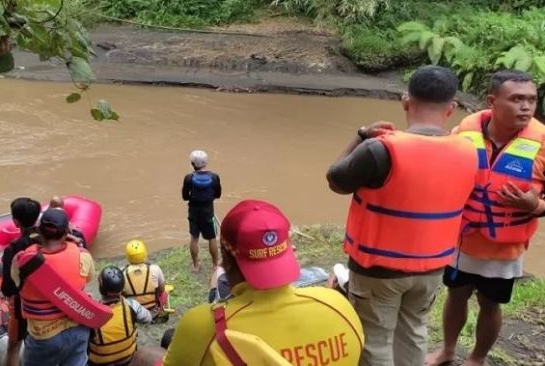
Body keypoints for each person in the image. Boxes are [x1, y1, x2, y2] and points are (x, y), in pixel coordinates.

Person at [326, 65, 478, 366]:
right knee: (413, 333)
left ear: (405, 101)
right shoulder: (469, 150)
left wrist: (360, 135)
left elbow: (335, 180)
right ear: (453, 108)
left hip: (378, 270)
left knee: (375, 339)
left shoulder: (378, 149)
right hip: (432, 267)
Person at [426, 70, 545, 366]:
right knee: (455, 296)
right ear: (492, 101)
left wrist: (536, 206)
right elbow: (437, 171)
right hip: (462, 240)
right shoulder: (464, 132)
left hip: (504, 249)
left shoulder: (543, 143)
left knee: (490, 304)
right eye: (516, 99)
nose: (526, 107)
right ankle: (448, 350)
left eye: (531, 99)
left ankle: (477, 358)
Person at [162, 199, 364, 365]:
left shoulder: (203, 324)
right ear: (289, 254)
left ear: (227, 262)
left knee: (145, 356)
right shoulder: (338, 305)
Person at [10, 208, 95, 366]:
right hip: (78, 328)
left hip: (43, 336)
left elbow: (16, 283)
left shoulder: (21, 260)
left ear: (39, 231)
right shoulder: (83, 256)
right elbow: (88, 279)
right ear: (67, 232)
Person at [0, 197, 41, 366]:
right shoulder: (46, 239)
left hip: (21, 304)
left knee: (13, 347)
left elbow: (8, 288)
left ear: (16, 222)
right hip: (46, 299)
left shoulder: (14, 249)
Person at [89, 265, 153, 366]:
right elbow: (148, 318)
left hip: (101, 363)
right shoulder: (131, 304)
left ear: (101, 286)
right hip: (128, 359)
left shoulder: (91, 312)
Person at [182, 150, 222, 272]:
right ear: (206, 162)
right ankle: (215, 265)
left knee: (194, 238)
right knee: (212, 237)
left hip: (194, 210)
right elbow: (218, 194)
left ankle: (195, 265)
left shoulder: (189, 178)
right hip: (208, 210)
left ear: (192, 163)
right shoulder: (214, 177)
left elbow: (185, 196)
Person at [122, 240, 167, 318]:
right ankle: (161, 311)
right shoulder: (155, 269)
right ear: (144, 254)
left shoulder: (122, 272)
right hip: (153, 311)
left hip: (133, 313)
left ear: (128, 257)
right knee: (164, 293)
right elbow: (162, 289)